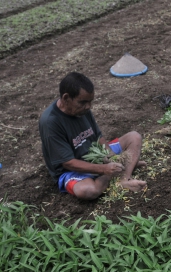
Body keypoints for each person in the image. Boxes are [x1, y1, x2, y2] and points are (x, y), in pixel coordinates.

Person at [39, 72, 147, 200]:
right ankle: (123, 167)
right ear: (66, 98)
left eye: (90, 102)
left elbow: (98, 136)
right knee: (88, 191)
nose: (88, 107)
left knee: (134, 137)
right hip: (71, 170)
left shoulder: (82, 110)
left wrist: (110, 156)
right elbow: (68, 163)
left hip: (97, 158)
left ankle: (124, 178)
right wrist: (104, 169)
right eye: (83, 102)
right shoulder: (51, 122)